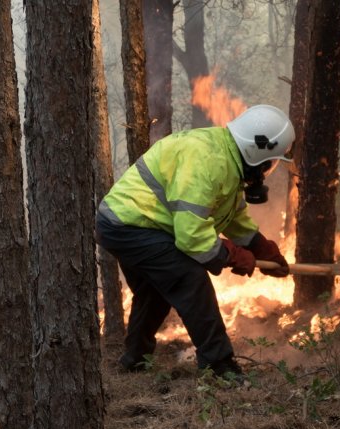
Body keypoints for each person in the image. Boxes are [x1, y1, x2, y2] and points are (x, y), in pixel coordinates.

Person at [95, 104, 295, 377]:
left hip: (135, 224)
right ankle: (219, 365)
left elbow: (232, 216)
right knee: (190, 279)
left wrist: (260, 248)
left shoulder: (227, 158)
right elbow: (191, 236)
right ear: (258, 151)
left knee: (154, 294)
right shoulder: (207, 161)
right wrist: (231, 255)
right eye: (270, 162)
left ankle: (135, 362)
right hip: (130, 225)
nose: (268, 168)